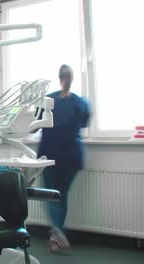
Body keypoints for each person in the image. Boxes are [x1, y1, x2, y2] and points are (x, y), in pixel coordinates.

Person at [37, 65, 90, 253]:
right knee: (61, 195)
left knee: (51, 196)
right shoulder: (81, 103)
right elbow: (83, 124)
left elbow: (34, 125)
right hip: (72, 156)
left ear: (59, 78)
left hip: (50, 155)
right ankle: (56, 236)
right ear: (71, 78)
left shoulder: (47, 100)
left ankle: (57, 233)